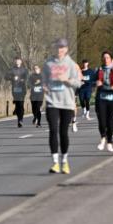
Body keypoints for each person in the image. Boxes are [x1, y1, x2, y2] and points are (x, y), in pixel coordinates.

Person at [41, 38, 82, 175]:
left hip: (67, 103)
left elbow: (78, 83)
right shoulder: (48, 63)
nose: (60, 50)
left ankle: (64, 161)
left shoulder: (71, 64)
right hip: (52, 102)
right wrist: (44, 86)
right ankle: (55, 163)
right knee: (53, 130)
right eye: (58, 47)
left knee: (63, 132)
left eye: (62, 47)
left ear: (66, 49)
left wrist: (67, 80)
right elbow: (43, 80)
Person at [94, 51, 113, 152]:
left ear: (111, 60)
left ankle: (109, 141)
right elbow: (91, 81)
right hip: (102, 98)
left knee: (111, 121)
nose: (105, 59)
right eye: (104, 58)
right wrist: (96, 83)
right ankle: (103, 138)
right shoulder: (98, 70)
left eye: (107, 58)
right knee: (102, 121)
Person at [7, 56, 28, 127]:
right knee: (18, 104)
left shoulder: (24, 70)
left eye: (18, 60)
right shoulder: (12, 69)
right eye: (16, 60)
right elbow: (6, 77)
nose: (17, 62)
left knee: (21, 104)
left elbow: (27, 77)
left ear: (21, 61)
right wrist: (12, 78)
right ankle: (17, 109)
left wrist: (23, 80)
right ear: (14, 61)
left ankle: (20, 120)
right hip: (15, 89)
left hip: (22, 89)